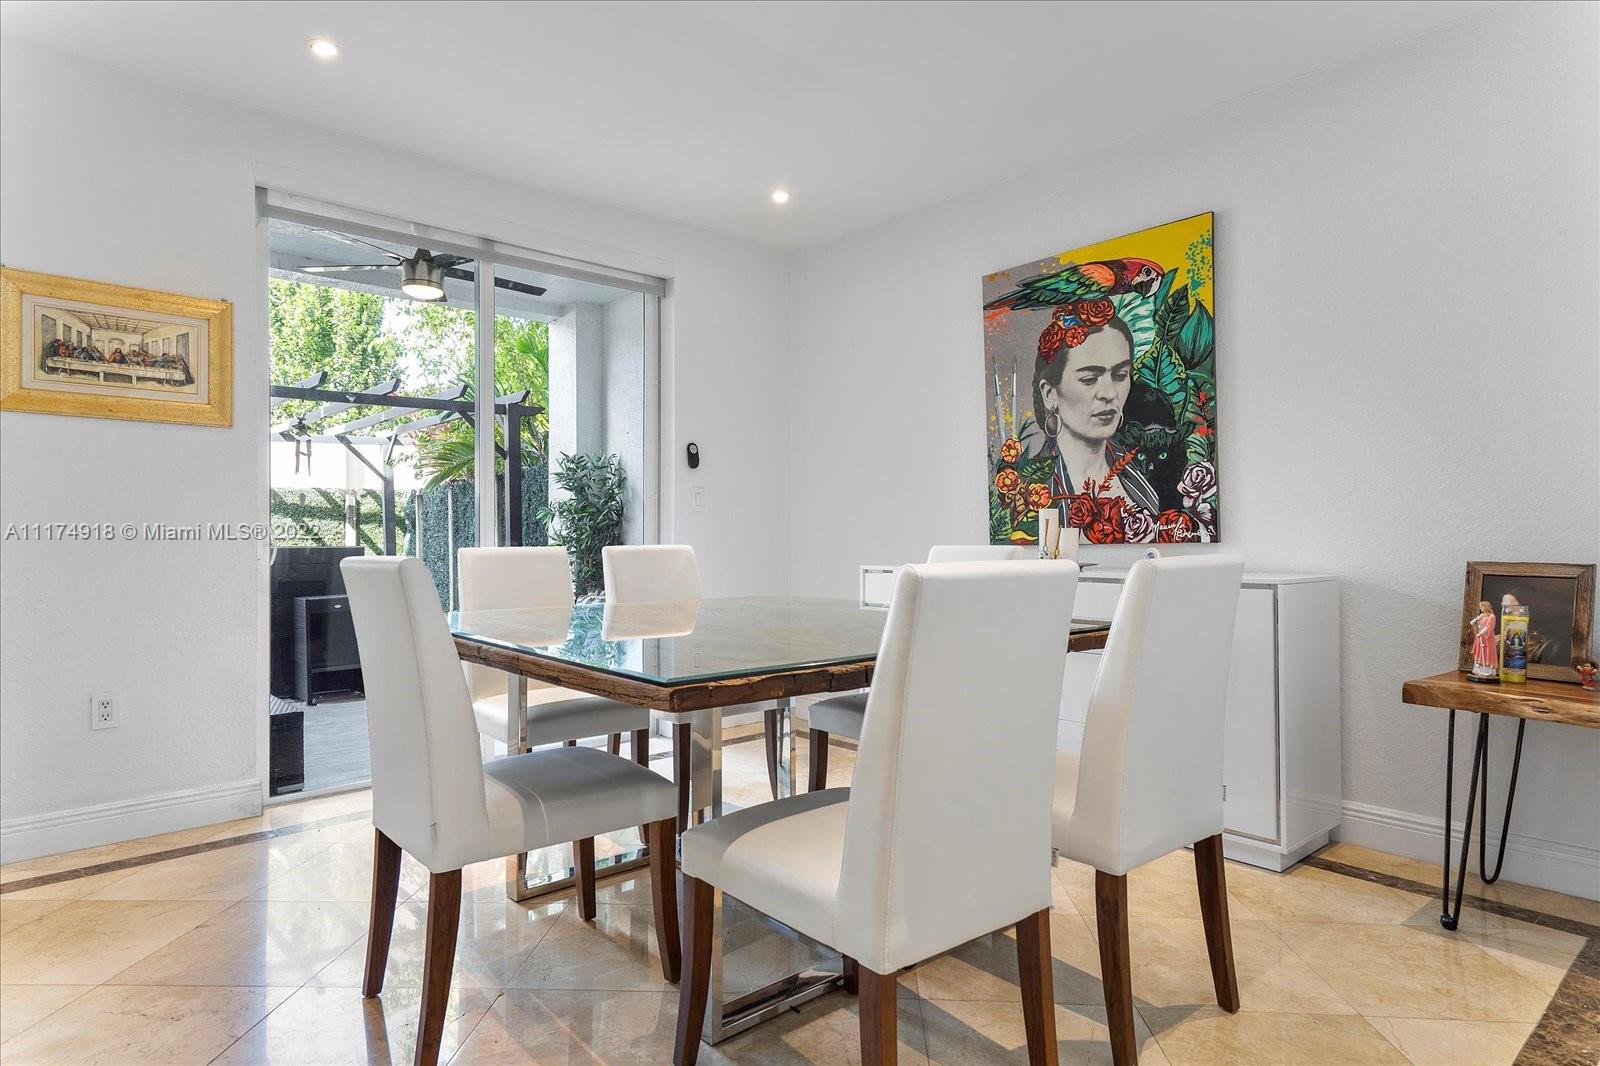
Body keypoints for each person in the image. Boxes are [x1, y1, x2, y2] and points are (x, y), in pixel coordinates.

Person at [1032, 306, 1160, 514]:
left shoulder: (1141, 472)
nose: (1109, 393)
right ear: (1050, 394)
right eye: (1089, 379)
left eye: (1120, 375)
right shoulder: (1033, 488)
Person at [1468, 600, 1498, 680]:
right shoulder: (1482, 615)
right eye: (1480, 607)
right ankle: (1478, 669)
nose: (1481, 608)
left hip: (1487, 638)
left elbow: (1488, 627)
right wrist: (1476, 619)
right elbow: (1472, 622)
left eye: (1482, 607)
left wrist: (1481, 633)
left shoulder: (1492, 616)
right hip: (1480, 638)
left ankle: (1488, 667)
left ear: (1486, 607)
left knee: (1487, 651)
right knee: (1480, 651)